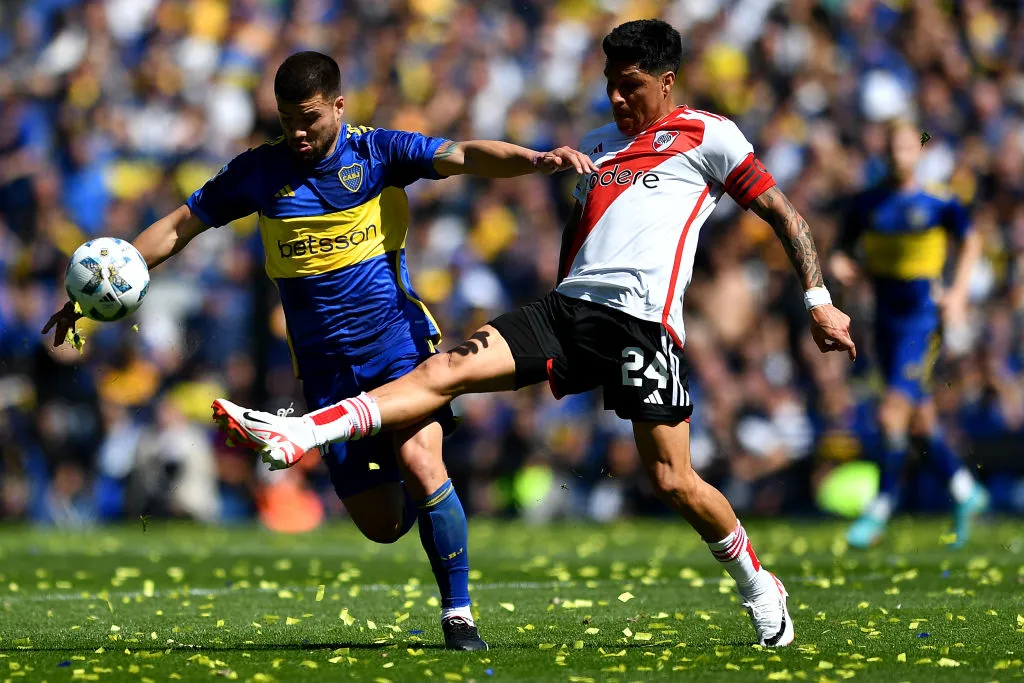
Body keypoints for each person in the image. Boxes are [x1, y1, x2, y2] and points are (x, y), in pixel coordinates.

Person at [211, 20, 856, 648]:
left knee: (672, 479)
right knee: (444, 371)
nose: (616, 98)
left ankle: (757, 583)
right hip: (566, 311)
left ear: (667, 81)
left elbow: (783, 213)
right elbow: (581, 235)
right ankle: (305, 431)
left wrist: (819, 301)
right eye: (609, 84)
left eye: (630, 85)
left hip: (642, 324)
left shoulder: (709, 135)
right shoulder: (597, 145)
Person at [41, 50, 596, 651]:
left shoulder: (378, 151)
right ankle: (436, 506)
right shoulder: (260, 171)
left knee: (421, 463)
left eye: (309, 118)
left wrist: (534, 159)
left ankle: (458, 615)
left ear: (338, 105)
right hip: (327, 370)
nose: (298, 132)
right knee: (383, 524)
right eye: (287, 120)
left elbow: (462, 155)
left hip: (399, 349)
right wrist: (98, 292)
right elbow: (179, 225)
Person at [831, 118, 989, 549]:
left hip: (923, 319)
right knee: (918, 420)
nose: (898, 156)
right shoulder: (867, 203)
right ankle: (964, 490)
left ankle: (881, 505)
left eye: (906, 147)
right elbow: (842, 250)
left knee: (891, 413)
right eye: (892, 148)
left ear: (918, 151)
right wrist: (842, 266)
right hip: (884, 318)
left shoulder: (938, 201)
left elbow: (972, 241)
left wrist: (958, 293)